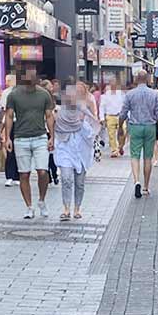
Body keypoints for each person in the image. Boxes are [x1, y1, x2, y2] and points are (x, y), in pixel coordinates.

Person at [3, 65, 55, 218]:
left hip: (40, 137)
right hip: (21, 138)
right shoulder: (14, 95)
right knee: (23, 174)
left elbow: (49, 116)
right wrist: (7, 137)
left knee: (42, 171)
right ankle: (29, 206)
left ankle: (42, 200)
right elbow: (9, 116)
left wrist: (52, 136)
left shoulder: (44, 94)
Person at [54, 82, 99, 221]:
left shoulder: (85, 109)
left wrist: (84, 125)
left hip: (82, 149)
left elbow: (94, 127)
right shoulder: (61, 111)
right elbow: (56, 126)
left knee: (79, 182)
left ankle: (77, 209)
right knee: (66, 178)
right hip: (65, 146)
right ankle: (66, 209)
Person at [120, 67, 158, 198]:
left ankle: (136, 181)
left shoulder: (130, 94)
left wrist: (120, 126)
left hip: (135, 126)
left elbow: (123, 113)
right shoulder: (155, 94)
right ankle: (145, 186)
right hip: (150, 127)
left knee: (135, 156)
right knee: (147, 157)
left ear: (136, 79)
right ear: (148, 79)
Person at [100, 78, 125, 156]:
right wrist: (102, 118)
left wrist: (127, 115)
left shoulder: (121, 94)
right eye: (112, 83)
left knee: (123, 131)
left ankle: (120, 146)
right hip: (110, 116)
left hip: (120, 116)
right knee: (111, 134)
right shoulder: (106, 95)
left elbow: (125, 105)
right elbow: (102, 107)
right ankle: (114, 150)